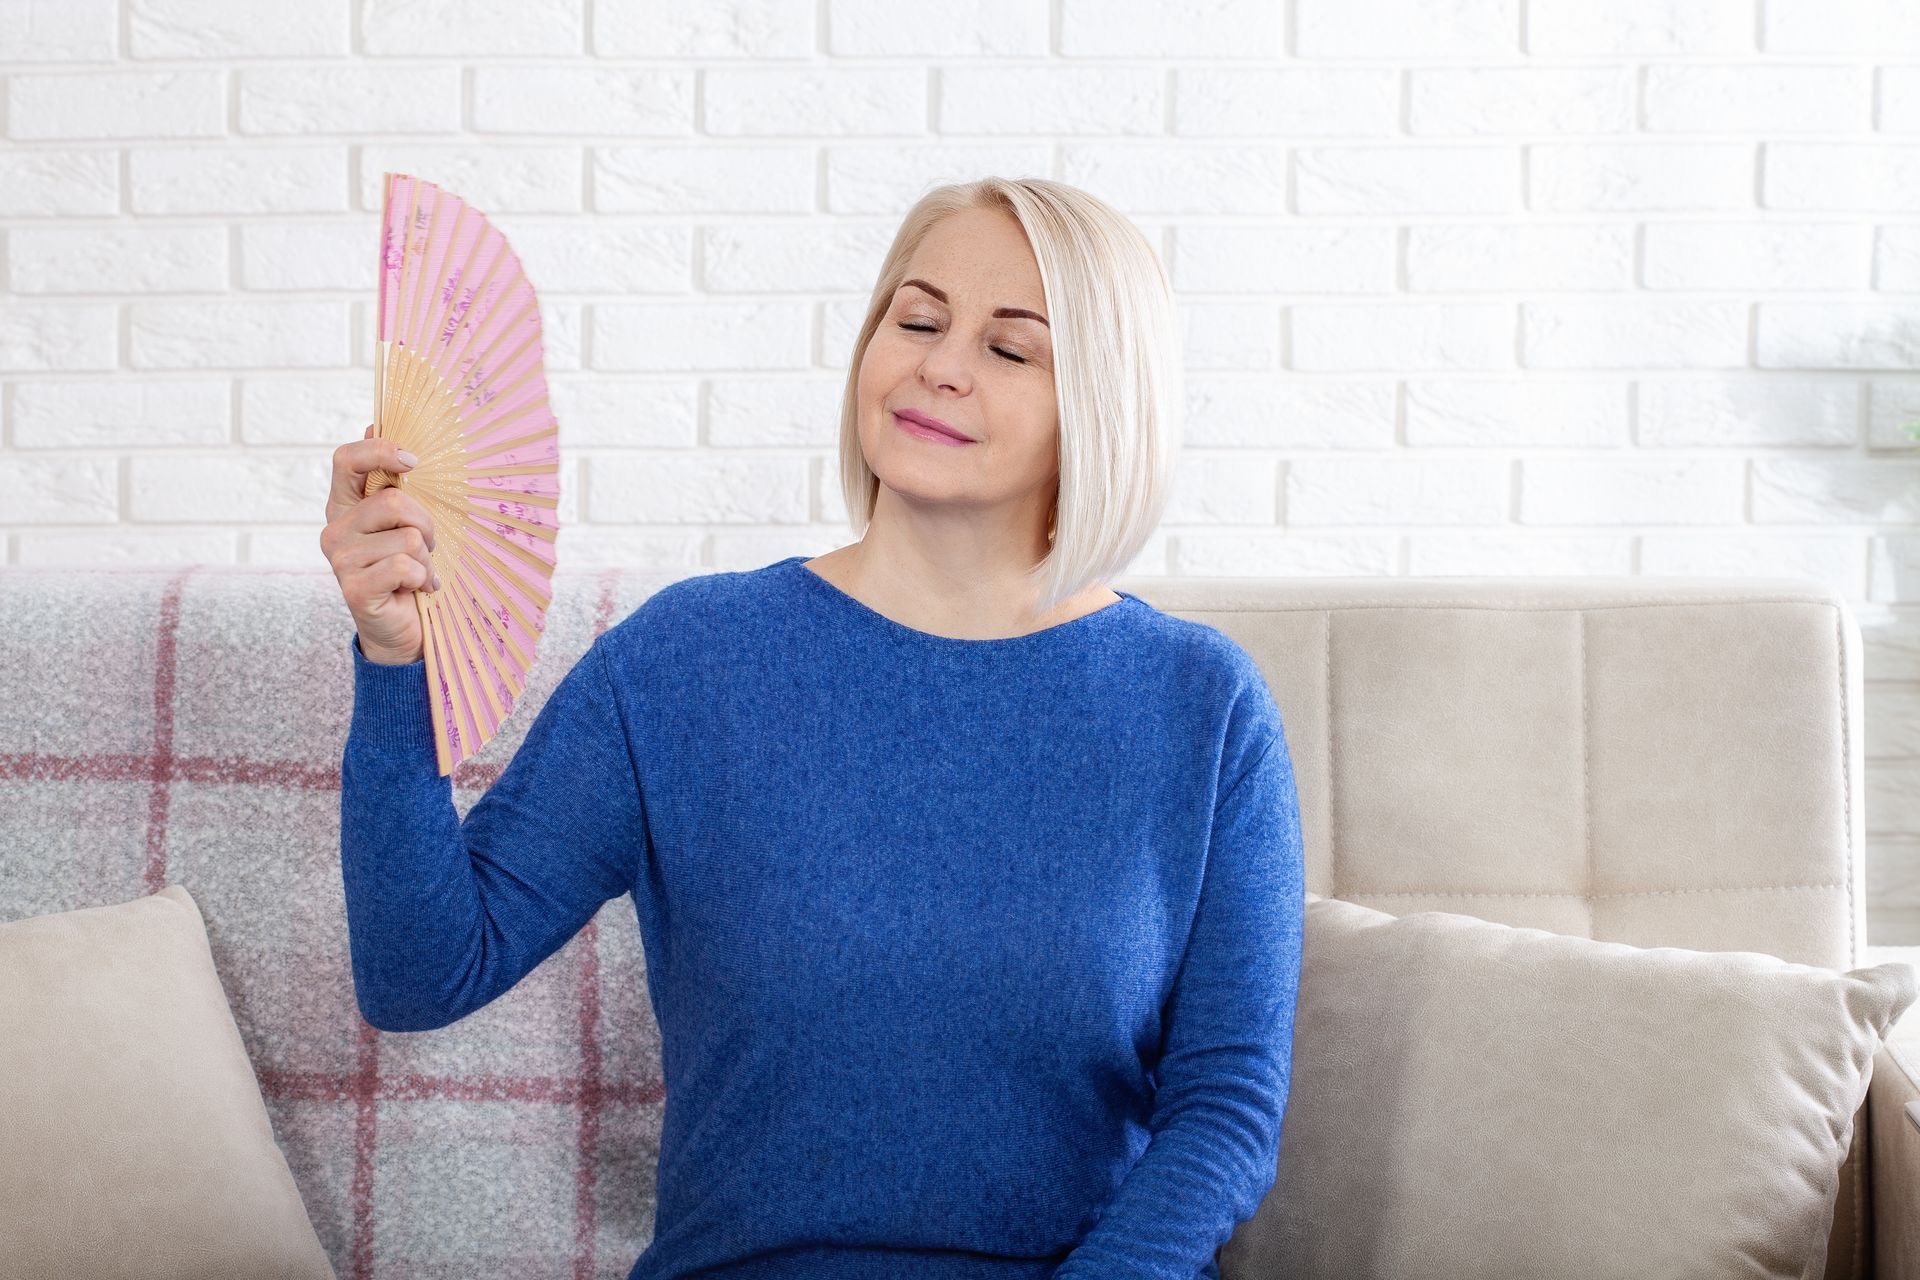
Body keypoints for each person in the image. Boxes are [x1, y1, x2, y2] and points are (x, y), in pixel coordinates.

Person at [320, 176, 1305, 1280]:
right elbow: (419, 971)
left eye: (1011, 347)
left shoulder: (1203, 704)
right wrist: (394, 664)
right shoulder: (686, 659)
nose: (941, 362)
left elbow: (1223, 1110)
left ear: (1104, 403)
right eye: (918, 318)